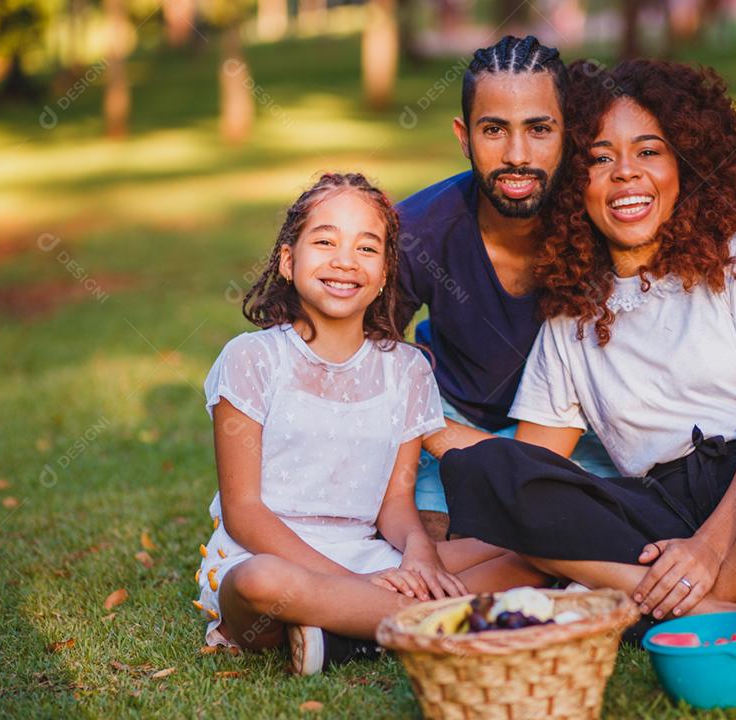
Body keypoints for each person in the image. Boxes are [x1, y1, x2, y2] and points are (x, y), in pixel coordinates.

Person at [437, 60, 736, 664]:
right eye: (598, 158)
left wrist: (709, 547)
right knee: (495, 469)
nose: (626, 175)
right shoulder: (571, 313)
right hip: (655, 515)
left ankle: (711, 600)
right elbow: (536, 469)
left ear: (688, 164)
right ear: (573, 181)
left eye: (650, 150)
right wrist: (421, 435)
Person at [193, 172, 540, 675]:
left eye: (366, 248)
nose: (344, 261)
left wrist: (420, 555)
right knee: (259, 584)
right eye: (325, 241)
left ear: (384, 275)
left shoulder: (407, 369)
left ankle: (346, 634)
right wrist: (348, 585)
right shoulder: (251, 359)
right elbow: (244, 512)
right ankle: (433, 624)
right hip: (271, 556)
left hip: (366, 555)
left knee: (525, 554)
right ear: (289, 261)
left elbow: (396, 503)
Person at [393, 36, 616, 537]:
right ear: (463, 136)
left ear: (569, 134)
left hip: (576, 429)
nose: (517, 155)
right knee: (432, 538)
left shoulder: (604, 220)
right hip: (447, 420)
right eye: (494, 129)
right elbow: (362, 349)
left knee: (578, 536)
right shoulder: (420, 228)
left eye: (539, 129)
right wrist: (423, 423)